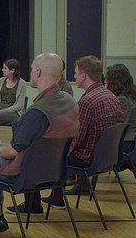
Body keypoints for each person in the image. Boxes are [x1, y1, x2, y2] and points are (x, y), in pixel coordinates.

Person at [0, 53, 79, 238]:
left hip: (26, 172)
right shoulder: (69, 101)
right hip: (52, 170)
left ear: (38, 72)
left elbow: (11, 152)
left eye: (32, 68)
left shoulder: (38, 112)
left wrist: (1, 154)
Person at [43, 55, 124, 208]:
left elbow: (77, 137)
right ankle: (56, 196)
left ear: (83, 76)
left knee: (43, 154)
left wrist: (58, 152)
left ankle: (39, 202)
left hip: (89, 158)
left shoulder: (88, 101)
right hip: (108, 157)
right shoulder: (111, 96)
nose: (74, 76)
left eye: (75, 73)